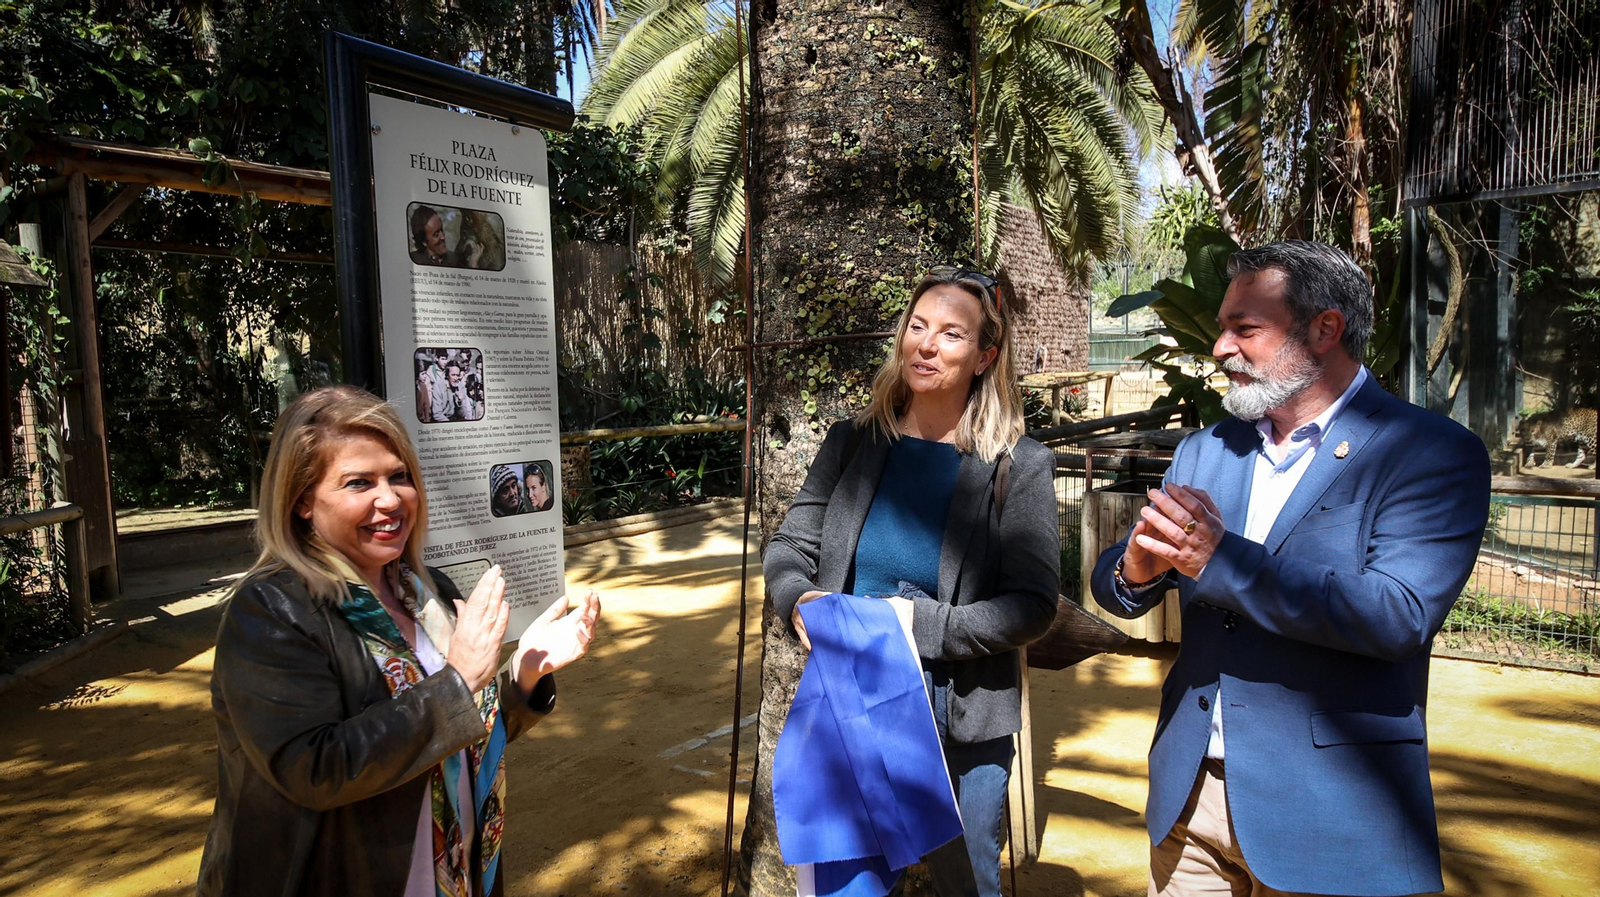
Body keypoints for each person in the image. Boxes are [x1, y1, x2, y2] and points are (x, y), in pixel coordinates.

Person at [1090, 241, 1490, 897]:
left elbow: (1398, 615)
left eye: (1244, 327)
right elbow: (1122, 586)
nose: (1219, 347)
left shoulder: (1431, 453)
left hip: (1331, 818)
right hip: (1190, 806)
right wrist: (1132, 570)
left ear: (1324, 329)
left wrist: (1223, 559)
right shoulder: (1205, 448)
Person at [197, 385, 601, 896]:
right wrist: (458, 683)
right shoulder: (273, 612)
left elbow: (453, 735)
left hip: (450, 874)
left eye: (399, 476)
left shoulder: (428, 591)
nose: (389, 499)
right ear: (301, 500)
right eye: (358, 483)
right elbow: (313, 770)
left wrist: (524, 676)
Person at [764, 265, 1060, 897]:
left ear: (985, 356)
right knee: (848, 882)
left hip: (962, 719)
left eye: (951, 334)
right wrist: (799, 598)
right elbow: (790, 546)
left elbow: (1033, 607)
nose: (926, 345)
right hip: (851, 699)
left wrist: (916, 623)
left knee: (965, 882)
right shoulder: (853, 442)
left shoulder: (1020, 466)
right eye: (917, 326)